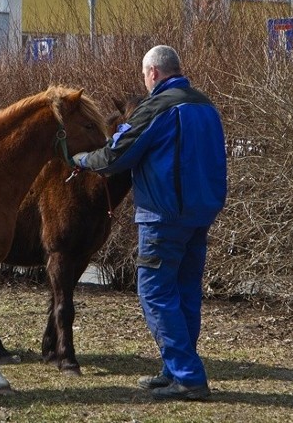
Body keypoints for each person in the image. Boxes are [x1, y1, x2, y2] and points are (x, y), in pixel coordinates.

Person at [72, 45, 227, 400]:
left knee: (155, 292)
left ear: (153, 73)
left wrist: (80, 158)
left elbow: (116, 155)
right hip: (200, 214)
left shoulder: (156, 107)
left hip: (164, 216)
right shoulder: (205, 105)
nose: (144, 82)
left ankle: (187, 376)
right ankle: (174, 368)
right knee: (184, 291)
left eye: (144, 75)